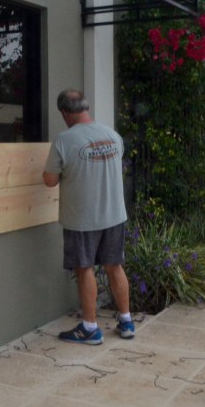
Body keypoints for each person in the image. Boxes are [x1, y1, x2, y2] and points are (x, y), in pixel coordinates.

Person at [42, 89, 134, 345]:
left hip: (83, 219)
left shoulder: (64, 140)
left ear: (64, 112)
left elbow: (49, 181)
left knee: (85, 270)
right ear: (86, 107)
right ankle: (126, 321)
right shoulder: (112, 135)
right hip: (115, 215)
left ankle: (90, 328)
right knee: (114, 265)